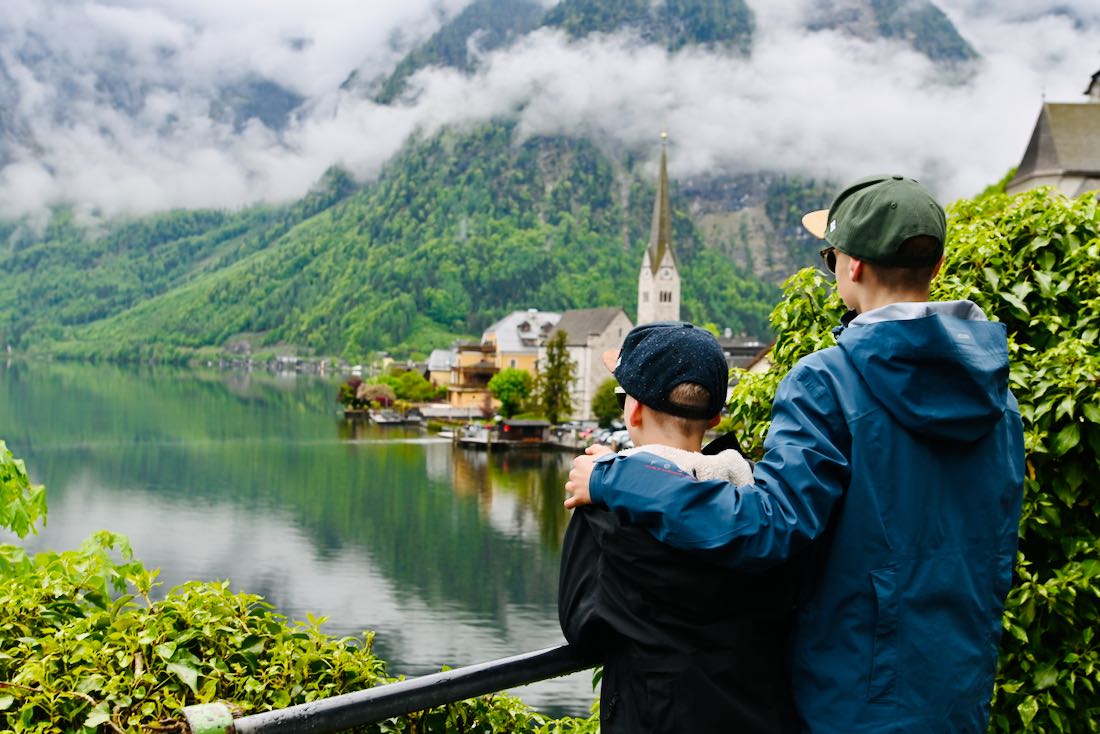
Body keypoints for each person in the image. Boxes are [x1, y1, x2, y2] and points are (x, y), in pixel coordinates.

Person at [564, 175, 1025, 733]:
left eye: (829, 256)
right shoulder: (998, 399)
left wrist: (613, 478)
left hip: (851, 700)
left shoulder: (830, 381)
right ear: (938, 265)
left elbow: (767, 528)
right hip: (958, 693)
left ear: (851, 267)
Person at [558, 321, 799, 734]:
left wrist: (615, 473)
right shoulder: (760, 501)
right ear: (715, 416)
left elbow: (582, 628)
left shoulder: (605, 511)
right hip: (756, 714)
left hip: (654, 717)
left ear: (633, 410)